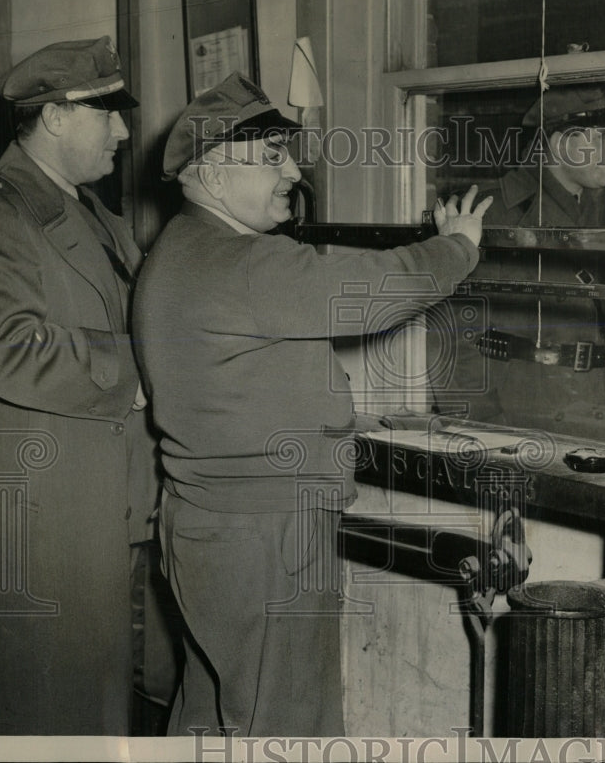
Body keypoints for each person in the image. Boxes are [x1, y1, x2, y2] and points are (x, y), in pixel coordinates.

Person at [132, 72, 490, 736]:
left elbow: (233, 377)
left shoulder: (177, 253)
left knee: (212, 711)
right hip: (269, 533)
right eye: (271, 157)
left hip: (205, 523)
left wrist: (335, 415)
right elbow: (373, 288)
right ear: (211, 175)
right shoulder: (245, 262)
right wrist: (457, 246)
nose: (292, 171)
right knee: (288, 723)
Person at [0, 36, 175, 735]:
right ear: (56, 116)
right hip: (44, 514)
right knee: (43, 709)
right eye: (109, 114)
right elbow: (7, 350)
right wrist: (138, 370)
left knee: (103, 704)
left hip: (111, 500)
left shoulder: (97, 217)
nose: (126, 132)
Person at [428, 84, 605, 440]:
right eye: (603, 137)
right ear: (559, 145)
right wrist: (483, 433)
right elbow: (449, 339)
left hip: (591, 415)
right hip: (516, 425)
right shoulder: (490, 213)